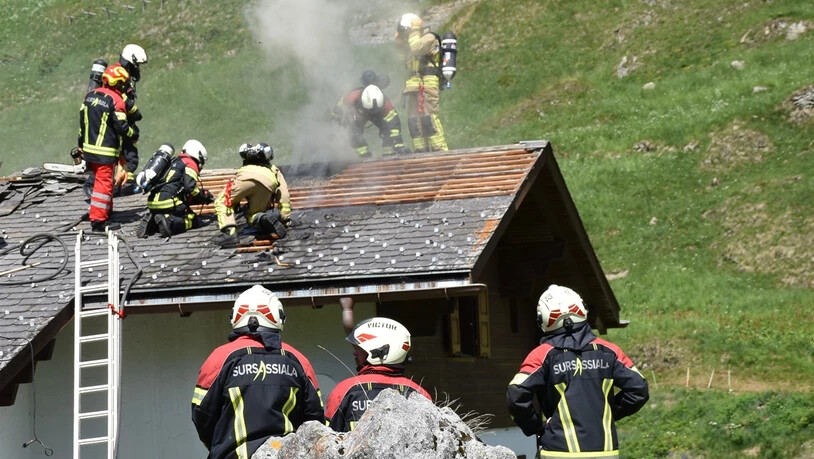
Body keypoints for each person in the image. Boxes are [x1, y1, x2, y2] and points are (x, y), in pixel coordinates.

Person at [506, 285, 649, 459]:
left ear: (542, 320)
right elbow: (639, 389)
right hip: (606, 452)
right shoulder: (610, 351)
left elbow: (516, 396)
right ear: (582, 310)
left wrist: (536, 427)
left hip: (558, 452)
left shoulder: (541, 355)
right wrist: (607, 413)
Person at [191, 285, 324, 459]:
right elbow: (315, 420)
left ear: (236, 317)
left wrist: (221, 446)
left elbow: (202, 416)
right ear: (279, 318)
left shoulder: (220, 358)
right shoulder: (298, 360)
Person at [324, 317, 431, 432]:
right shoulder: (421, 394)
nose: (355, 352)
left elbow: (326, 439)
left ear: (379, 352)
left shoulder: (345, 390)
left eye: (360, 348)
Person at [78, 65, 139, 231]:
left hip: (89, 150)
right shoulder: (115, 100)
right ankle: (98, 221)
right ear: (118, 83)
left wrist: (80, 144)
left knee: (101, 182)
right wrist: (134, 134)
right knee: (103, 185)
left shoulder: (90, 96)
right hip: (104, 151)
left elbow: (82, 124)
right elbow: (122, 126)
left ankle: (105, 211)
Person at [213, 143, 291, 248]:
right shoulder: (273, 169)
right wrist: (285, 219)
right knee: (254, 214)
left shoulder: (246, 167)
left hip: (245, 178)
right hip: (267, 183)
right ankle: (262, 217)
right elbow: (284, 195)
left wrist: (234, 203)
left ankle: (230, 233)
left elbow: (235, 191)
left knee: (222, 202)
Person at [135, 140, 214, 238]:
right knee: (192, 219)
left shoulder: (173, 161)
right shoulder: (190, 163)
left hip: (153, 202)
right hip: (168, 202)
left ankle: (153, 222)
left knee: (169, 212)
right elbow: (190, 187)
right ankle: (169, 222)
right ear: (198, 155)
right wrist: (204, 196)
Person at [395, 13, 449, 153]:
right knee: (413, 121)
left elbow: (417, 48)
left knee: (428, 118)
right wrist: (400, 46)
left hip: (428, 82)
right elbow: (405, 64)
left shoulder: (429, 38)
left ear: (411, 28)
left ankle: (440, 151)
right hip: (413, 84)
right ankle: (420, 151)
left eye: (405, 31)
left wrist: (414, 31)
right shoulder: (411, 42)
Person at [331, 72, 408, 159]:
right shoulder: (351, 98)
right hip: (358, 115)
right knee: (354, 132)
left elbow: (394, 125)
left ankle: (389, 155)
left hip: (379, 114)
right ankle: (364, 157)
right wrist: (335, 125)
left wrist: (398, 145)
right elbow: (338, 111)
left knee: (387, 129)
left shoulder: (386, 103)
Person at [112, 44, 148, 192]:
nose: (138, 68)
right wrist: (135, 113)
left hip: (123, 122)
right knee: (128, 157)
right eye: (137, 65)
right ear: (130, 61)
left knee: (128, 157)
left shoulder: (124, 75)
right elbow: (123, 101)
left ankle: (122, 185)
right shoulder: (120, 76)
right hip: (118, 123)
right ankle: (123, 187)